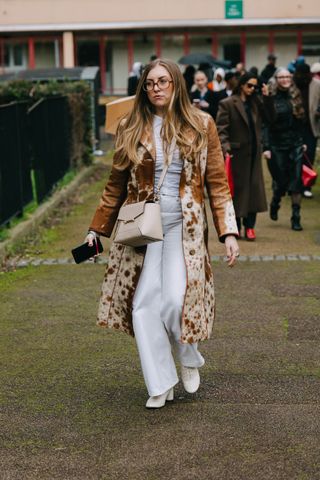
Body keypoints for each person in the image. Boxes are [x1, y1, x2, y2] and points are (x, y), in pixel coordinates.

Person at [85, 59, 239, 409]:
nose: (156, 88)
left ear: (176, 85)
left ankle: (188, 355)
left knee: (173, 301)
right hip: (144, 228)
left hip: (183, 228)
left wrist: (228, 231)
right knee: (141, 306)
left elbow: (217, 182)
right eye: (150, 83)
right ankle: (160, 382)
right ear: (144, 87)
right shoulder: (130, 126)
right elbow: (115, 186)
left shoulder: (202, 124)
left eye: (163, 81)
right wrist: (95, 232)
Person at [216, 72, 274, 240]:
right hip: (236, 155)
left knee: (254, 193)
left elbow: (271, 119)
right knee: (237, 193)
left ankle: (250, 227)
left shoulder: (257, 102)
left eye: (255, 86)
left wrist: (266, 96)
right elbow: (221, 129)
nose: (252, 89)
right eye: (249, 85)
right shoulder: (227, 103)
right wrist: (226, 149)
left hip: (254, 155)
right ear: (241, 85)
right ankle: (236, 227)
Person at [263, 68, 306, 231]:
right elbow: (266, 123)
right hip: (276, 144)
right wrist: (266, 147)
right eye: (281, 76)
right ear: (276, 79)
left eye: (288, 76)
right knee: (280, 182)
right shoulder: (269, 97)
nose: (285, 79)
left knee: (296, 181)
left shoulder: (295, 94)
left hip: (295, 144)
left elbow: (301, 120)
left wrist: (302, 141)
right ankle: (275, 202)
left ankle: (296, 217)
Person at [293, 63, 320, 198]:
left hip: (311, 127)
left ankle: (306, 185)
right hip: (294, 127)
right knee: (294, 157)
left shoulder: (316, 84)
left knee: (309, 156)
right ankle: (295, 185)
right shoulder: (292, 84)